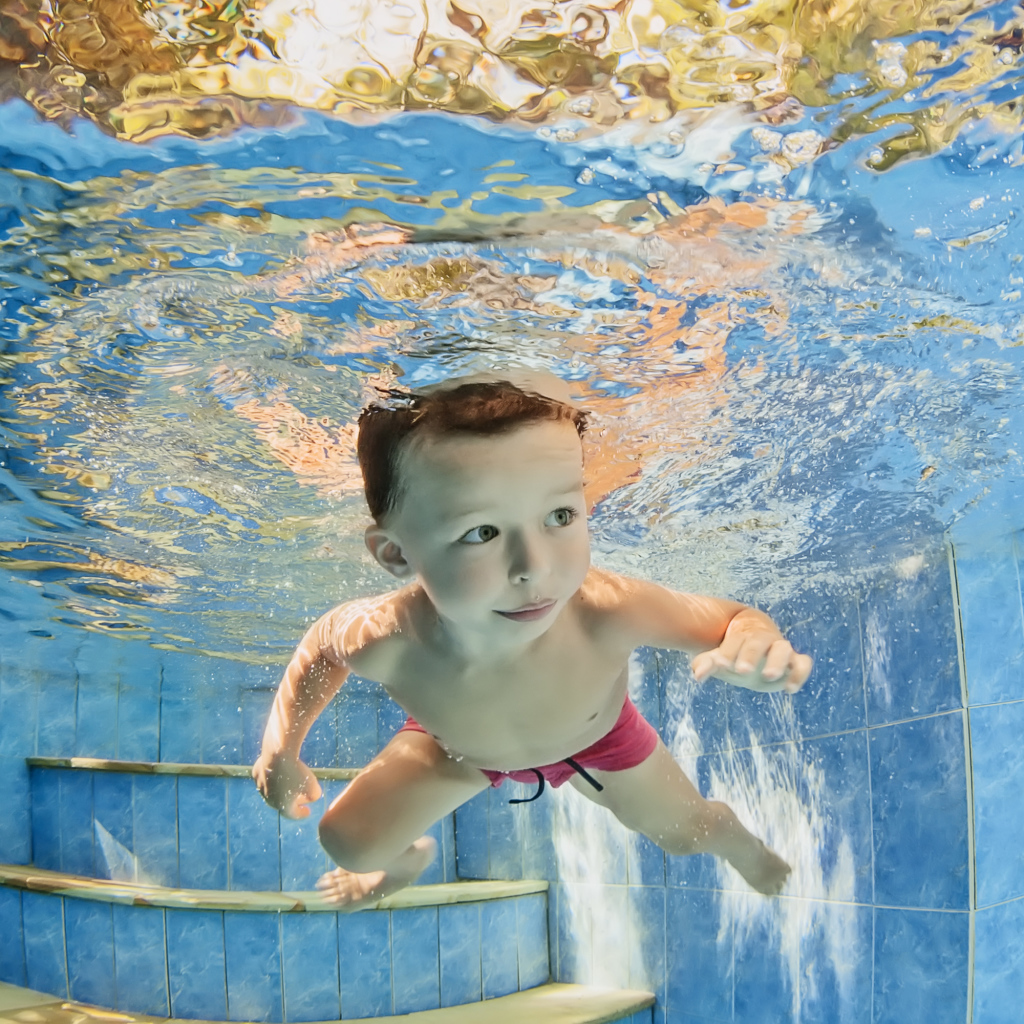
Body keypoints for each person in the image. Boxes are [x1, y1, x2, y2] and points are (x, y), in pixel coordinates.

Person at [252, 374, 812, 910]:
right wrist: (280, 750)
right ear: (397, 555)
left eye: (560, 515)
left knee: (686, 834)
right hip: (458, 747)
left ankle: (740, 842)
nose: (534, 567)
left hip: (599, 740)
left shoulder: (606, 608)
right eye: (481, 533)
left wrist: (754, 642)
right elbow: (323, 645)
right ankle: (401, 866)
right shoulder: (391, 638)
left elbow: (734, 618)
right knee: (348, 842)